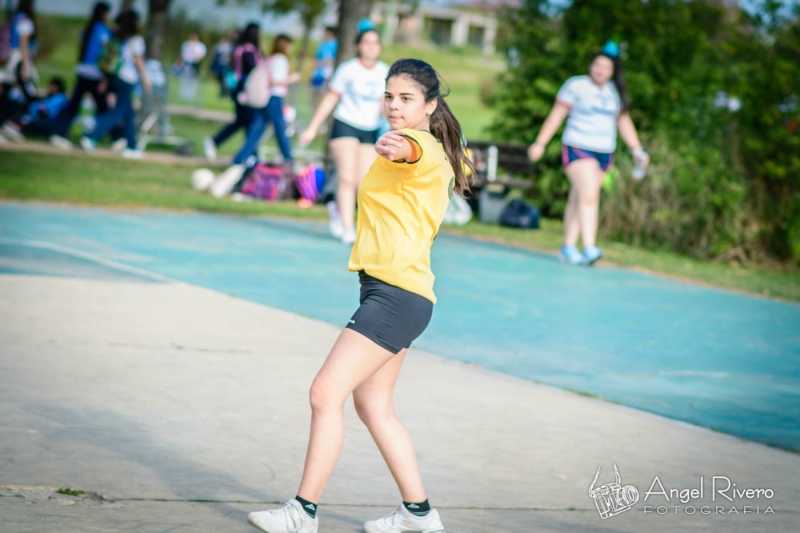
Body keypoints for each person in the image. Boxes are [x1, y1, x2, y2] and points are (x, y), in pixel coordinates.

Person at [247, 57, 474, 533]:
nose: (394, 106)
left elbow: (408, 149)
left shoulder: (420, 145)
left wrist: (396, 144)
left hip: (396, 296)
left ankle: (302, 512)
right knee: (373, 406)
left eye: (406, 98)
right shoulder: (426, 147)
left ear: (430, 106)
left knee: (325, 392)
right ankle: (419, 514)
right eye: (389, 96)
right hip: (398, 293)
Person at [527, 40, 649, 265]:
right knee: (590, 196)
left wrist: (637, 149)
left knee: (579, 197)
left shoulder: (614, 92)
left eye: (606, 67)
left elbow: (624, 122)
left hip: (604, 152)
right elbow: (556, 115)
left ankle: (568, 247)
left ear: (613, 71)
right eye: (597, 65)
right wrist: (540, 143)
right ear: (591, 66)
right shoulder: (576, 86)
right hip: (578, 147)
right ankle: (590, 247)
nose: (600, 70)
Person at [300, 28, 388, 244]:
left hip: (370, 128)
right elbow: (331, 98)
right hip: (345, 124)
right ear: (358, 46)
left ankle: (338, 209)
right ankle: (348, 227)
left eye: (375, 43)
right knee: (346, 178)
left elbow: (386, 104)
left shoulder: (385, 71)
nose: (371, 47)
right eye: (366, 42)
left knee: (363, 182)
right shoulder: (348, 69)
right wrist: (312, 128)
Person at [79, 9, 150, 158]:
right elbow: (138, 61)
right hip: (127, 79)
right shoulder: (136, 40)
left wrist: (105, 80)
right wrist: (145, 79)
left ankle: (132, 147)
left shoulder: (117, 36)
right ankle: (91, 135)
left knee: (128, 113)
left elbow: (109, 60)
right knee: (118, 113)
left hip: (114, 77)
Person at [49, 1, 111, 149]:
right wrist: (105, 76)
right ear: (104, 14)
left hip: (82, 70)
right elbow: (105, 53)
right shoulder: (103, 30)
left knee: (75, 104)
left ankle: (59, 133)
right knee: (103, 107)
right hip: (94, 72)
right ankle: (113, 137)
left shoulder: (88, 28)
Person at [230, 33, 299, 166]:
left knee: (257, 129)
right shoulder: (281, 59)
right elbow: (274, 81)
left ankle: (239, 158)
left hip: (265, 97)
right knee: (280, 129)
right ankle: (289, 159)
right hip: (274, 98)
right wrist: (292, 78)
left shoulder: (271, 58)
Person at [203, 22, 260, 161]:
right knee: (249, 121)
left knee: (244, 121)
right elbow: (252, 71)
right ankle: (250, 154)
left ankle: (251, 153)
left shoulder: (239, 48)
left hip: (238, 87)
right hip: (245, 88)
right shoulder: (248, 50)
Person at [309, 26, 336, 109]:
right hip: (317, 75)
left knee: (323, 99)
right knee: (314, 99)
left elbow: (331, 60)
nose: (324, 34)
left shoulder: (335, 44)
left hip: (326, 75)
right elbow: (316, 59)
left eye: (326, 32)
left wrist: (321, 63)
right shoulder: (322, 45)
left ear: (331, 33)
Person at [176, 32, 206, 101]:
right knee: (184, 78)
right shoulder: (185, 44)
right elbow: (182, 55)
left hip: (195, 64)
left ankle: (191, 95)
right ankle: (183, 95)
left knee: (193, 80)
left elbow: (200, 56)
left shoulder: (200, 46)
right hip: (186, 63)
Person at [210, 30, 236, 97]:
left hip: (227, 65)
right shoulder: (218, 46)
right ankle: (223, 91)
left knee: (225, 79)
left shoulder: (230, 46)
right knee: (220, 78)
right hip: (220, 65)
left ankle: (225, 92)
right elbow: (214, 55)